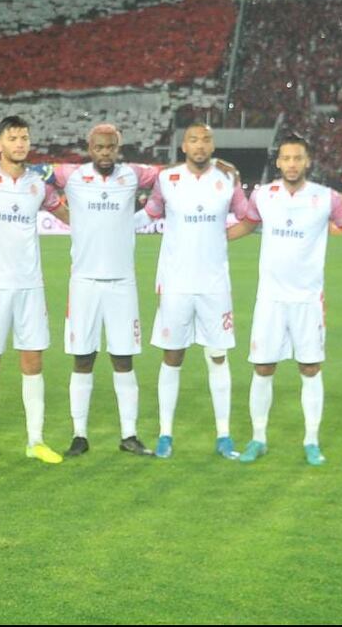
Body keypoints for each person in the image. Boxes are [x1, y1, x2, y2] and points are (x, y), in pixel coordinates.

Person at [225, 134, 342, 465]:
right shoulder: (263, 195)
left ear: (307, 162)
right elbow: (246, 226)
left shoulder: (325, 197)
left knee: (310, 367)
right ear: (278, 162)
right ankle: (258, 439)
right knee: (263, 367)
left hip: (308, 299)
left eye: (298, 158)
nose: (292, 164)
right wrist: (211, 239)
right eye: (286, 158)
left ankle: (311, 441)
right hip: (270, 299)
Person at [46, 124, 162, 458]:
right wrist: (61, 210)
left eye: (111, 147)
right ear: (90, 148)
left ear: (118, 147)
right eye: (99, 147)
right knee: (83, 358)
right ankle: (79, 435)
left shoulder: (132, 174)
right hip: (84, 283)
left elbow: (168, 177)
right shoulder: (72, 175)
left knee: (123, 358)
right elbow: (35, 175)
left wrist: (149, 213)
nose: (105, 153)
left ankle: (129, 435)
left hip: (122, 283)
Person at [0, 116, 68, 466]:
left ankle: (35, 440)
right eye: (13, 138)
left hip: (30, 287)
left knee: (33, 363)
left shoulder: (38, 184)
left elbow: (66, 214)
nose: (20, 143)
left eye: (24, 137)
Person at [141, 122, 248, 460]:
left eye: (205, 140)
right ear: (183, 146)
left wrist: (222, 238)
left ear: (212, 145)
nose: (200, 145)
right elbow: (150, 214)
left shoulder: (228, 178)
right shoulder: (167, 179)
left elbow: (249, 217)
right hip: (176, 284)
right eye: (193, 140)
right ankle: (165, 434)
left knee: (218, 355)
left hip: (215, 285)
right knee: (172, 356)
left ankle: (224, 436)